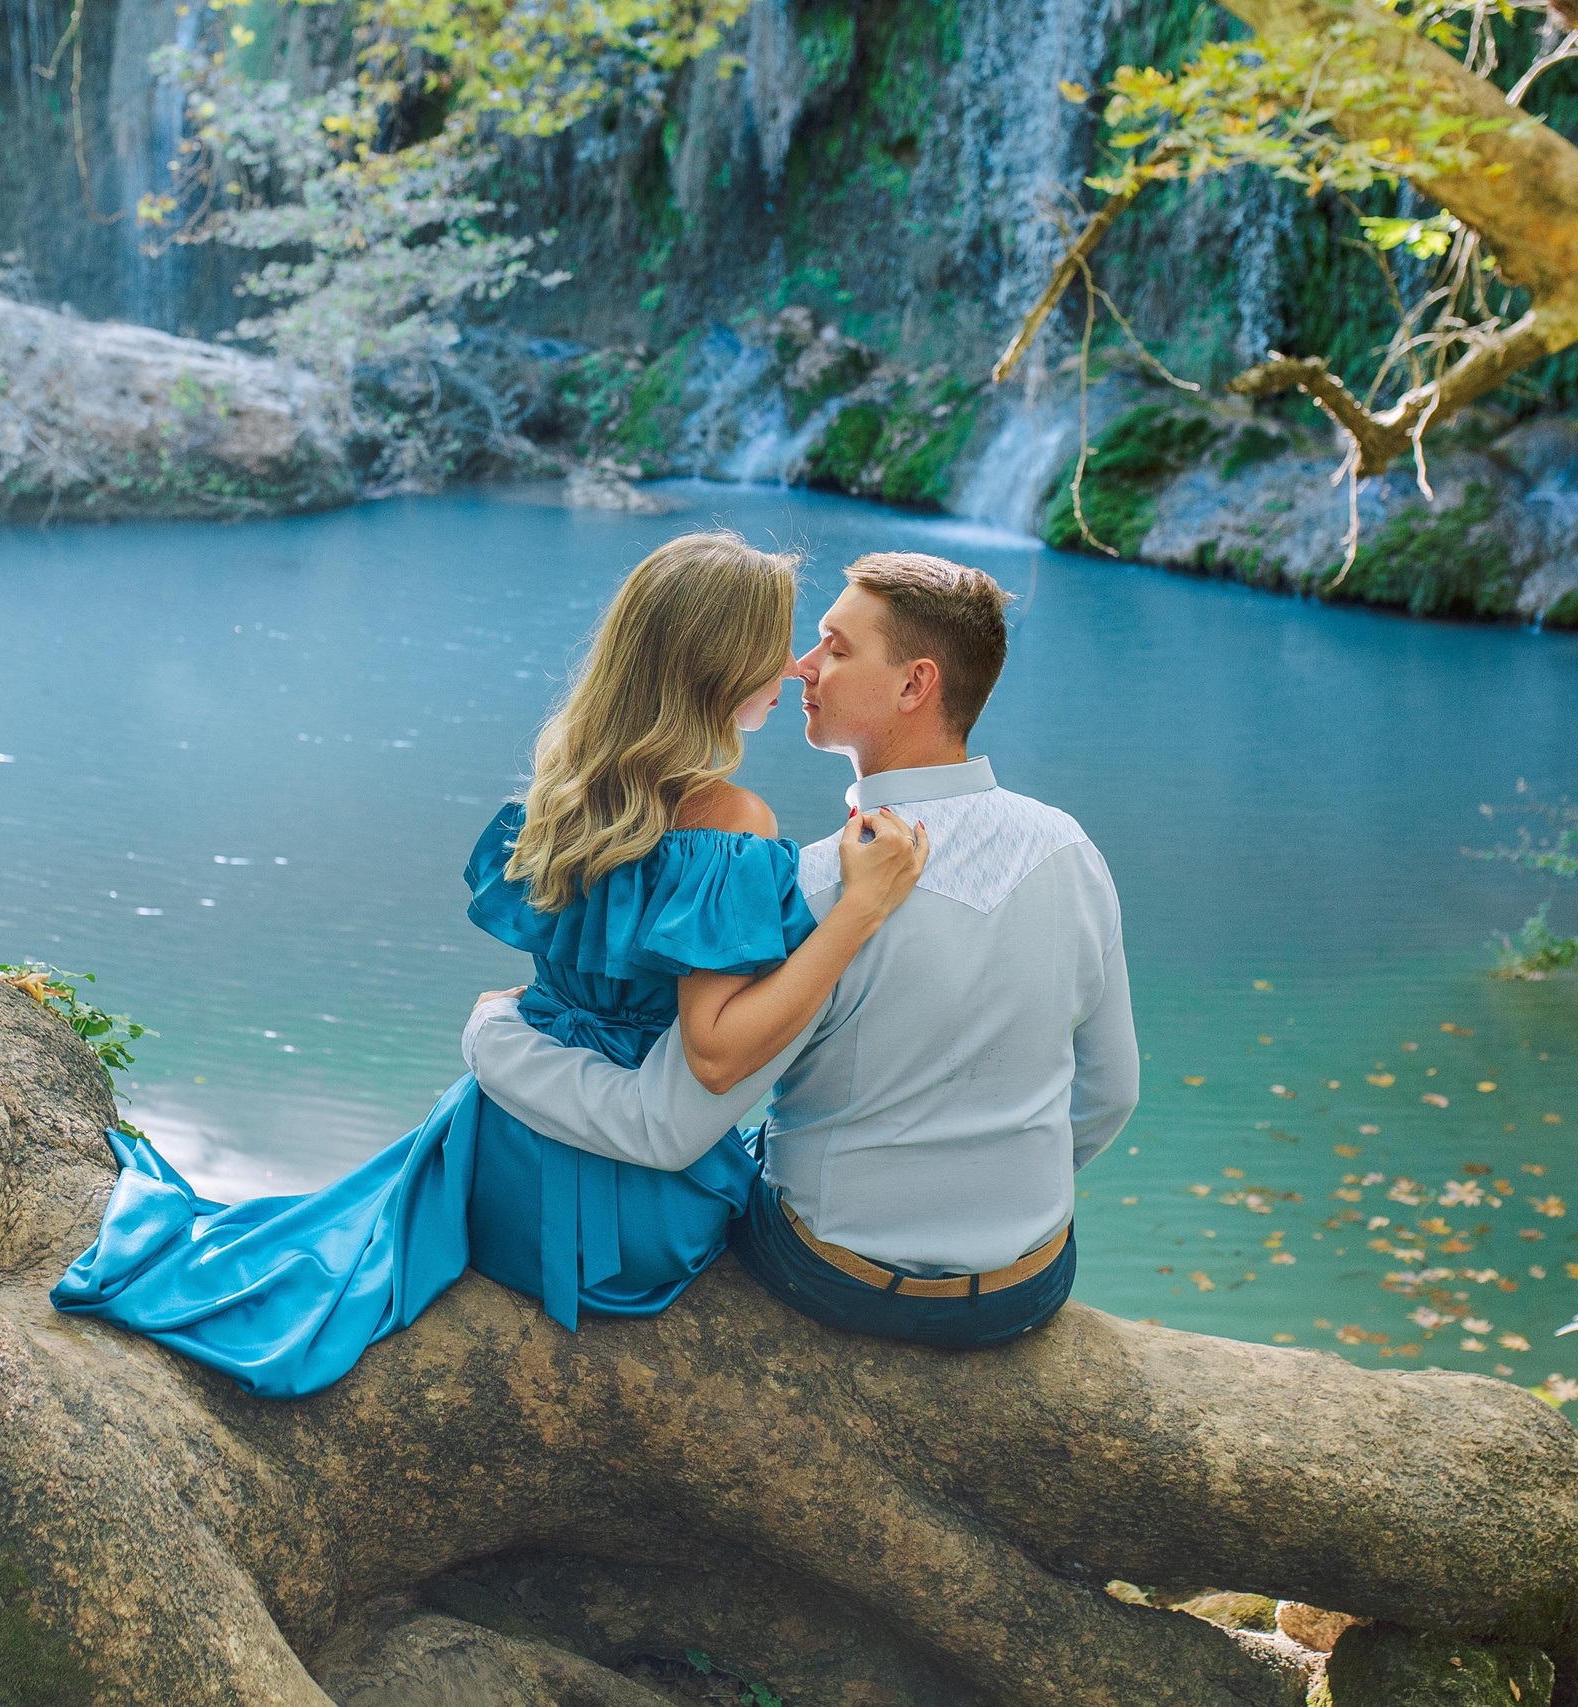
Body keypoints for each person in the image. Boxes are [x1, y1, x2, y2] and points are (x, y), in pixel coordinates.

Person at [51, 532, 928, 1398]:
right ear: (716, 663)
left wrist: (510, 1022)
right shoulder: (729, 818)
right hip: (616, 1225)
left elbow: (566, 979)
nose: (791, 665)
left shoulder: (572, 781)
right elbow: (714, 1048)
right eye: (773, 644)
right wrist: (858, 910)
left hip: (489, 1162)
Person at [463, 552, 1139, 1348]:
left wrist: (490, 1037)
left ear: (915, 684)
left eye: (835, 648)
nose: (802, 666)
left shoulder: (813, 884)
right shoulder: (1071, 849)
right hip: (1029, 1282)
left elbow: (667, 1120)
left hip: (837, 1279)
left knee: (729, 1164)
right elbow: (1111, 1092)